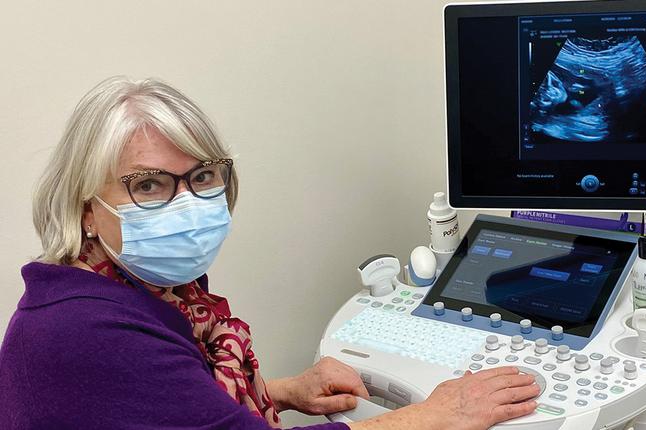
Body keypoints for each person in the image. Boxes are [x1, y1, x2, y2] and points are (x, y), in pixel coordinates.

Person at [0, 77, 541, 430]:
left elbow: (166, 405)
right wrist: (439, 414)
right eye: (147, 185)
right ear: (86, 209)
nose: (186, 205)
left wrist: (281, 391)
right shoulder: (80, 333)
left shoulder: (140, 291)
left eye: (202, 177)